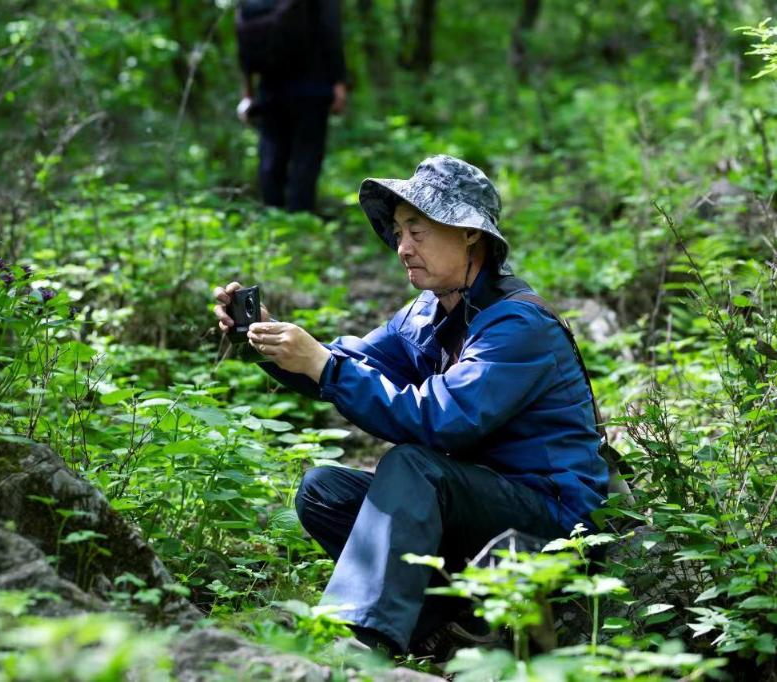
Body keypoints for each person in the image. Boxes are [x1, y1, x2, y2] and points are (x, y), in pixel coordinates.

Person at [212, 154, 609, 655]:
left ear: (468, 233)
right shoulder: (428, 310)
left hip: (550, 522)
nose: (402, 248)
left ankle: (361, 640)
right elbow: (350, 361)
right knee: (323, 490)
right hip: (471, 510)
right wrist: (271, 341)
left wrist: (323, 366)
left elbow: (443, 421)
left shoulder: (518, 325)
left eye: (417, 231)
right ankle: (448, 624)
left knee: (413, 465)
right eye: (399, 233)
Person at [236, 0, 347, 213]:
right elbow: (331, 30)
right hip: (312, 85)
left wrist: (248, 91)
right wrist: (339, 82)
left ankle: (272, 216)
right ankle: (300, 219)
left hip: (269, 88)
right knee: (306, 156)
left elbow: (243, 39)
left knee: (271, 153)